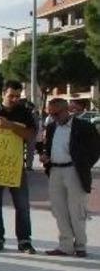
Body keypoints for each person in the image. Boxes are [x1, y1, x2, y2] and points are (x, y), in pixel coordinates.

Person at [0, 80, 37, 254]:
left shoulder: (24, 113)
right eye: (11, 95)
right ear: (3, 93)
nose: (14, 99)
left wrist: (10, 126)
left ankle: (24, 241)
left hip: (15, 167)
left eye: (18, 96)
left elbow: (31, 134)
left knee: (22, 206)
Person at [40, 98, 100, 257]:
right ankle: (65, 245)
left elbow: (95, 150)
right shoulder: (52, 127)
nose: (53, 117)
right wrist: (46, 156)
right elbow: (49, 146)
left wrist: (83, 164)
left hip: (74, 170)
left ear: (67, 110)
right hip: (55, 171)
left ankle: (80, 245)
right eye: (50, 114)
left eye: (56, 114)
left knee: (77, 210)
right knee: (59, 210)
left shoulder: (84, 127)